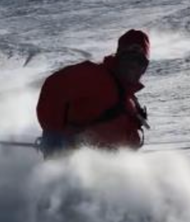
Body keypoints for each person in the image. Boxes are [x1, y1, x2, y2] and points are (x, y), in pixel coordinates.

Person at [36, 29, 151, 157]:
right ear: (119, 56)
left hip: (105, 170)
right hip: (70, 163)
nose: (134, 65)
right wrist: (53, 133)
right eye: (129, 58)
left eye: (140, 62)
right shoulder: (95, 76)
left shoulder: (130, 101)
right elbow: (54, 87)